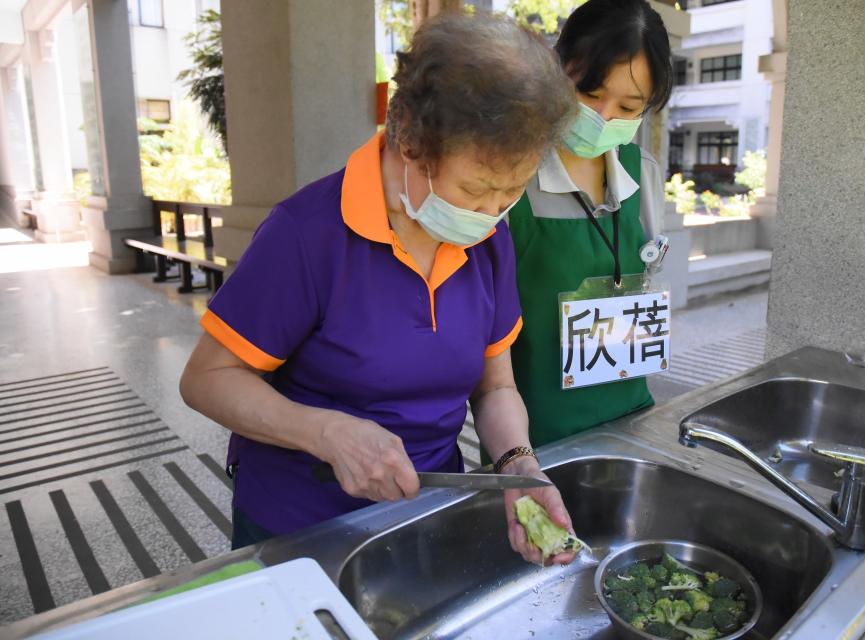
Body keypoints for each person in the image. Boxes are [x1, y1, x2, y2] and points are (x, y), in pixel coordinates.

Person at [179, 13, 578, 565]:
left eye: (510, 191)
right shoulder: (308, 233)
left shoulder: (489, 240)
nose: (492, 212)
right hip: (299, 527)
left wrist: (518, 466)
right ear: (411, 141)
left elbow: (495, 387)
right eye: (476, 188)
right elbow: (206, 380)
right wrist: (326, 432)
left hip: (426, 510)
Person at [509, 0, 675, 448]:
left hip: (633, 421)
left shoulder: (643, 171)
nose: (604, 117)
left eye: (628, 105)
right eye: (590, 93)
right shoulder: (511, 175)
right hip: (536, 437)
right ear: (558, 69)